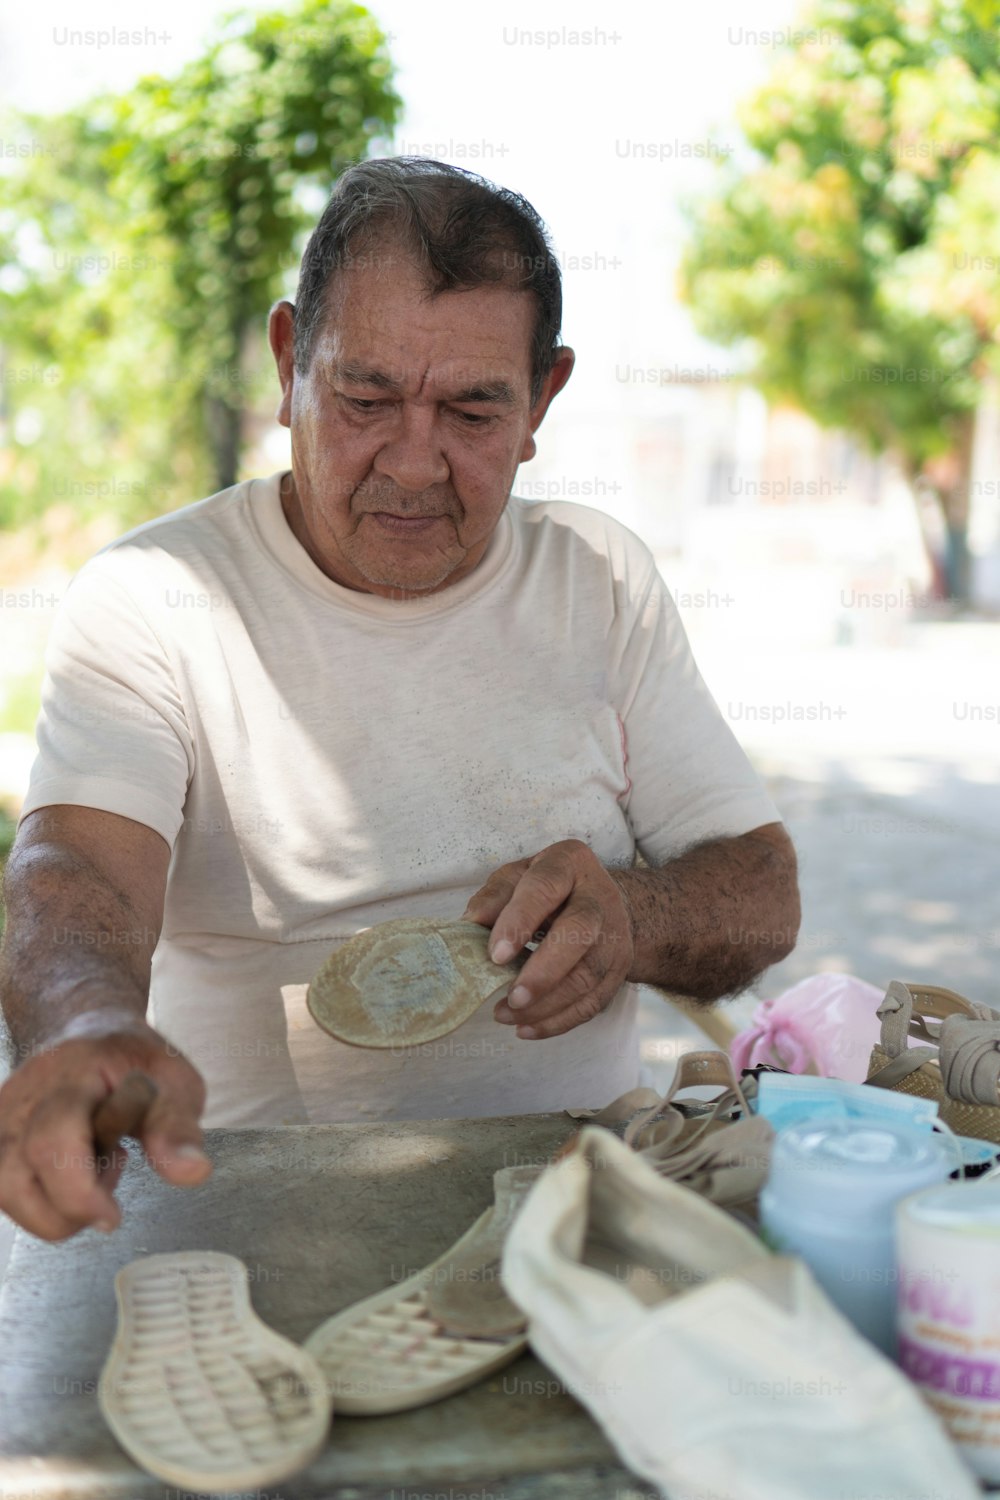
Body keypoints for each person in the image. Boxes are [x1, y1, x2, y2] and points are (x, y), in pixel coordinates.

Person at [0, 158, 799, 1242]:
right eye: (366, 397)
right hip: (240, 1197)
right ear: (290, 365)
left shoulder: (596, 580)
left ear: (541, 402)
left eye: (474, 409)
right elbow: (79, 868)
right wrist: (81, 1024)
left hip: (574, 1187)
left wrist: (635, 917)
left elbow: (759, 892)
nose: (415, 464)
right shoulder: (156, 595)